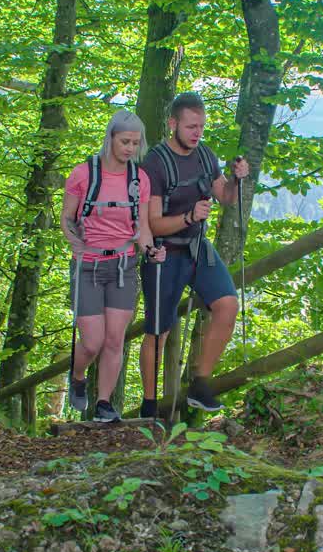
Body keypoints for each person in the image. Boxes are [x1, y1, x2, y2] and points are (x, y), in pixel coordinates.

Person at [138, 92, 249, 417]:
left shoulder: (205, 156)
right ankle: (149, 405)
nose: (196, 132)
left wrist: (238, 180)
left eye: (200, 126)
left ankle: (201, 383)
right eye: (190, 126)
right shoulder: (155, 163)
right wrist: (189, 217)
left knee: (227, 304)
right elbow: (153, 221)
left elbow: (225, 196)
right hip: (164, 252)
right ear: (173, 124)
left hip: (198, 247)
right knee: (159, 331)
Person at [61, 110, 166, 423]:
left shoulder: (139, 180)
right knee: (92, 341)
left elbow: (142, 226)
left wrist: (150, 250)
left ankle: (104, 404)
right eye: (125, 141)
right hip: (88, 266)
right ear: (110, 139)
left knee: (114, 340)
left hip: (123, 265)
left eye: (135, 143)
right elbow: (67, 217)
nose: (130, 148)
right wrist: (73, 240)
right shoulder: (82, 174)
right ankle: (78, 375)